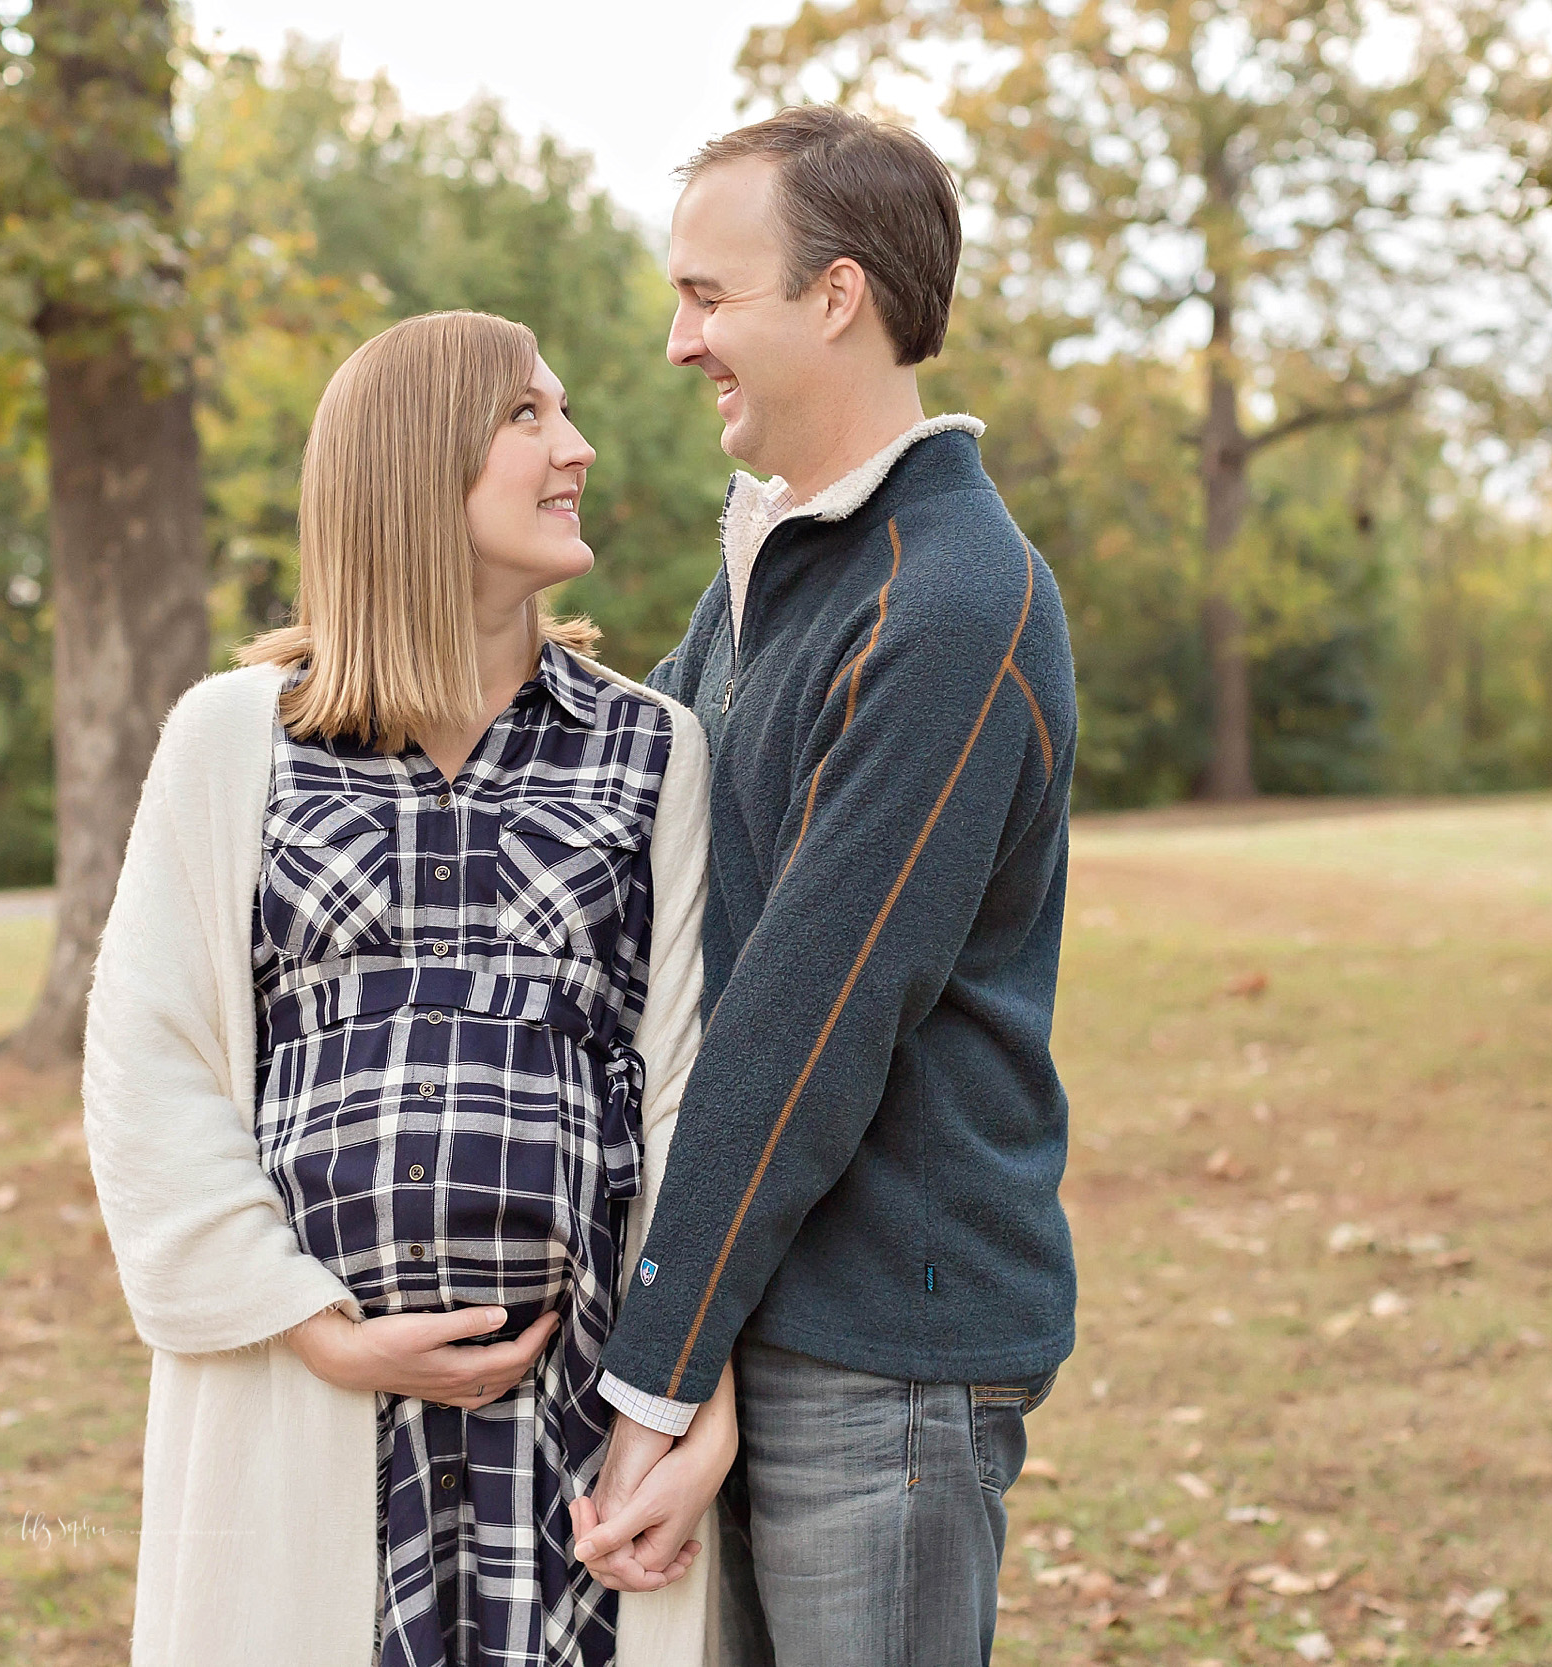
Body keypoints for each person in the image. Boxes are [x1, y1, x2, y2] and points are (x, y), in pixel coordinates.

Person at [81, 308, 735, 1667]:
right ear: (413, 462)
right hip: (303, 1407)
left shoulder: (652, 750)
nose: (580, 448)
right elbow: (152, 1069)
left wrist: (683, 1392)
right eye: (529, 418)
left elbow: (684, 1093)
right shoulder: (230, 739)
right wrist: (317, 1330)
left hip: (579, 1414)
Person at [571, 106, 1082, 1667]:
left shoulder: (949, 598)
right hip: (762, 1308)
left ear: (838, 295)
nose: (677, 342)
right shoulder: (785, 566)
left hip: (886, 1348)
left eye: (710, 297)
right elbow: (621, 798)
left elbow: (812, 1013)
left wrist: (658, 1366)